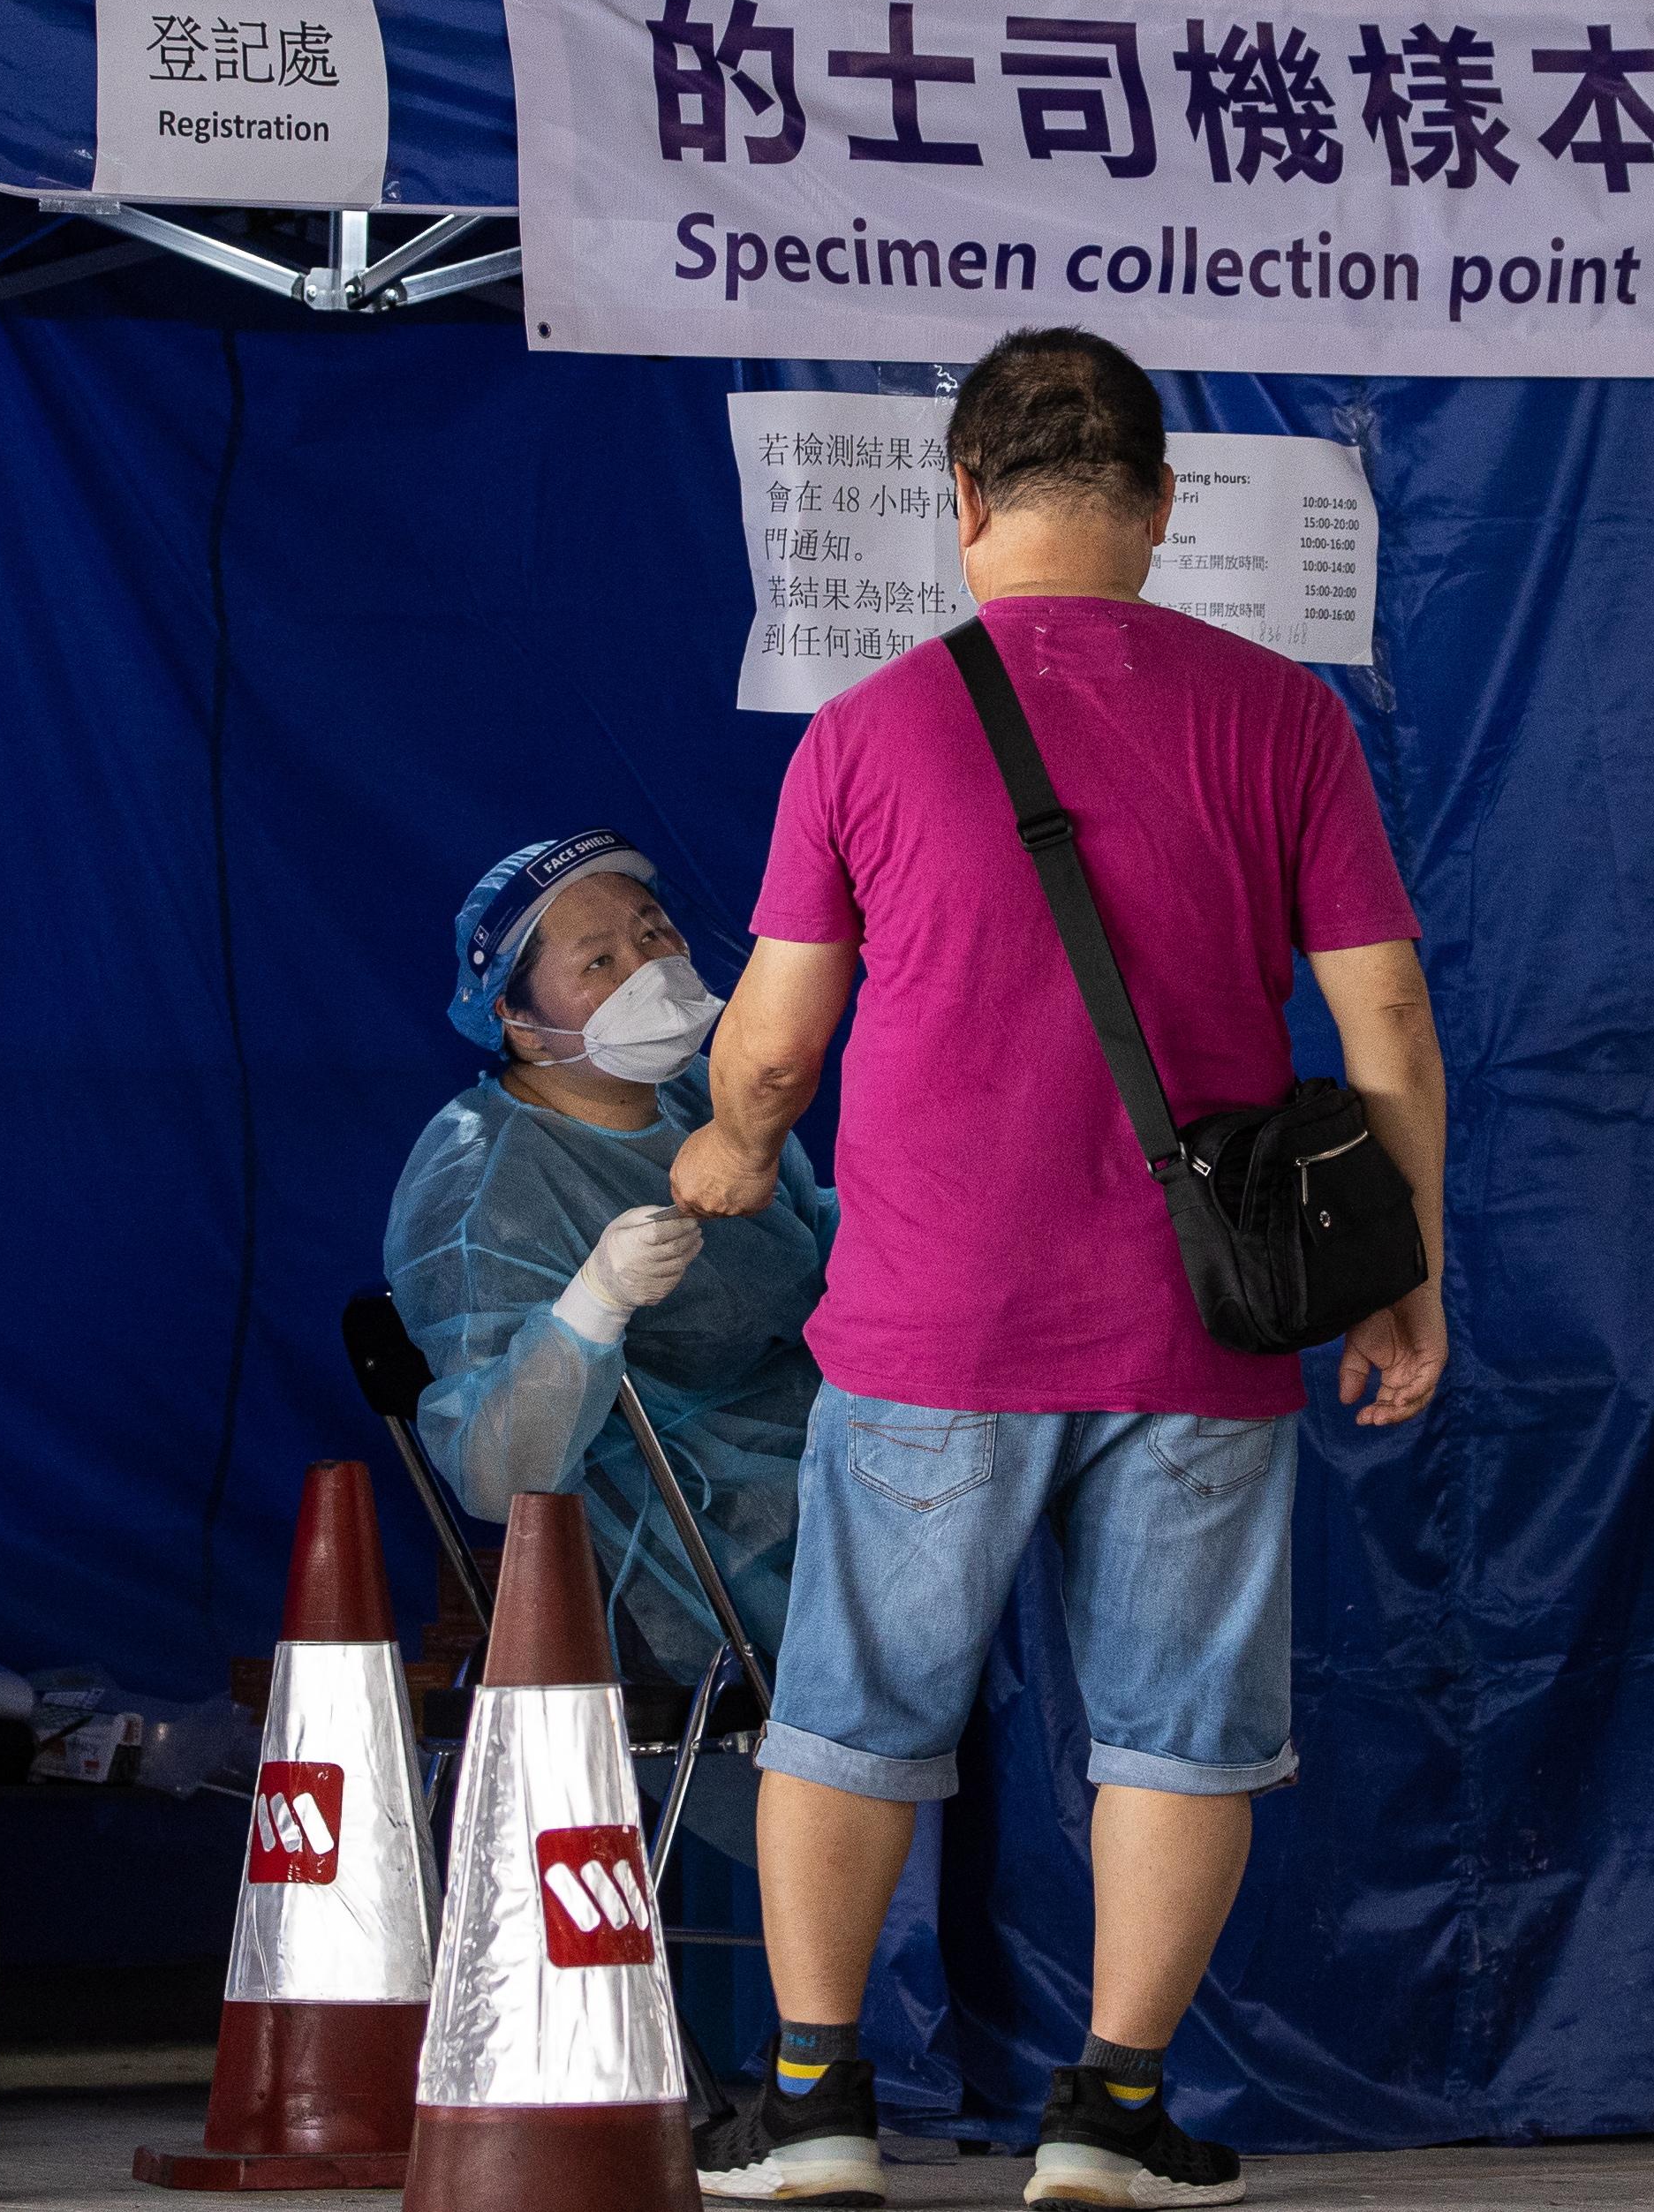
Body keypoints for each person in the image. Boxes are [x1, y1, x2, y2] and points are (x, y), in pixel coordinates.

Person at [680, 328, 1453, 2212]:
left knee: (853, 1711)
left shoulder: (867, 728)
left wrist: (734, 1141)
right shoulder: (1283, 718)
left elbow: (776, 1041)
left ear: (960, 503)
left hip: (932, 1317)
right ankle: (1107, 2113)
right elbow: (1391, 1027)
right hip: (1203, 1315)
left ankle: (814, 2105)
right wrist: (1400, 1270)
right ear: (1161, 509)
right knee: (1182, 1728)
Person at [384, 830, 833, 1695]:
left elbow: (811, 1247)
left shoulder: (699, 1092)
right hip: (682, 1569)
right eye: (597, 962)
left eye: (653, 931)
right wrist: (593, 1304)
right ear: (518, 1022)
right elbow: (492, 1472)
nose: (649, 968)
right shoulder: (485, 1184)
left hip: (822, 1469)